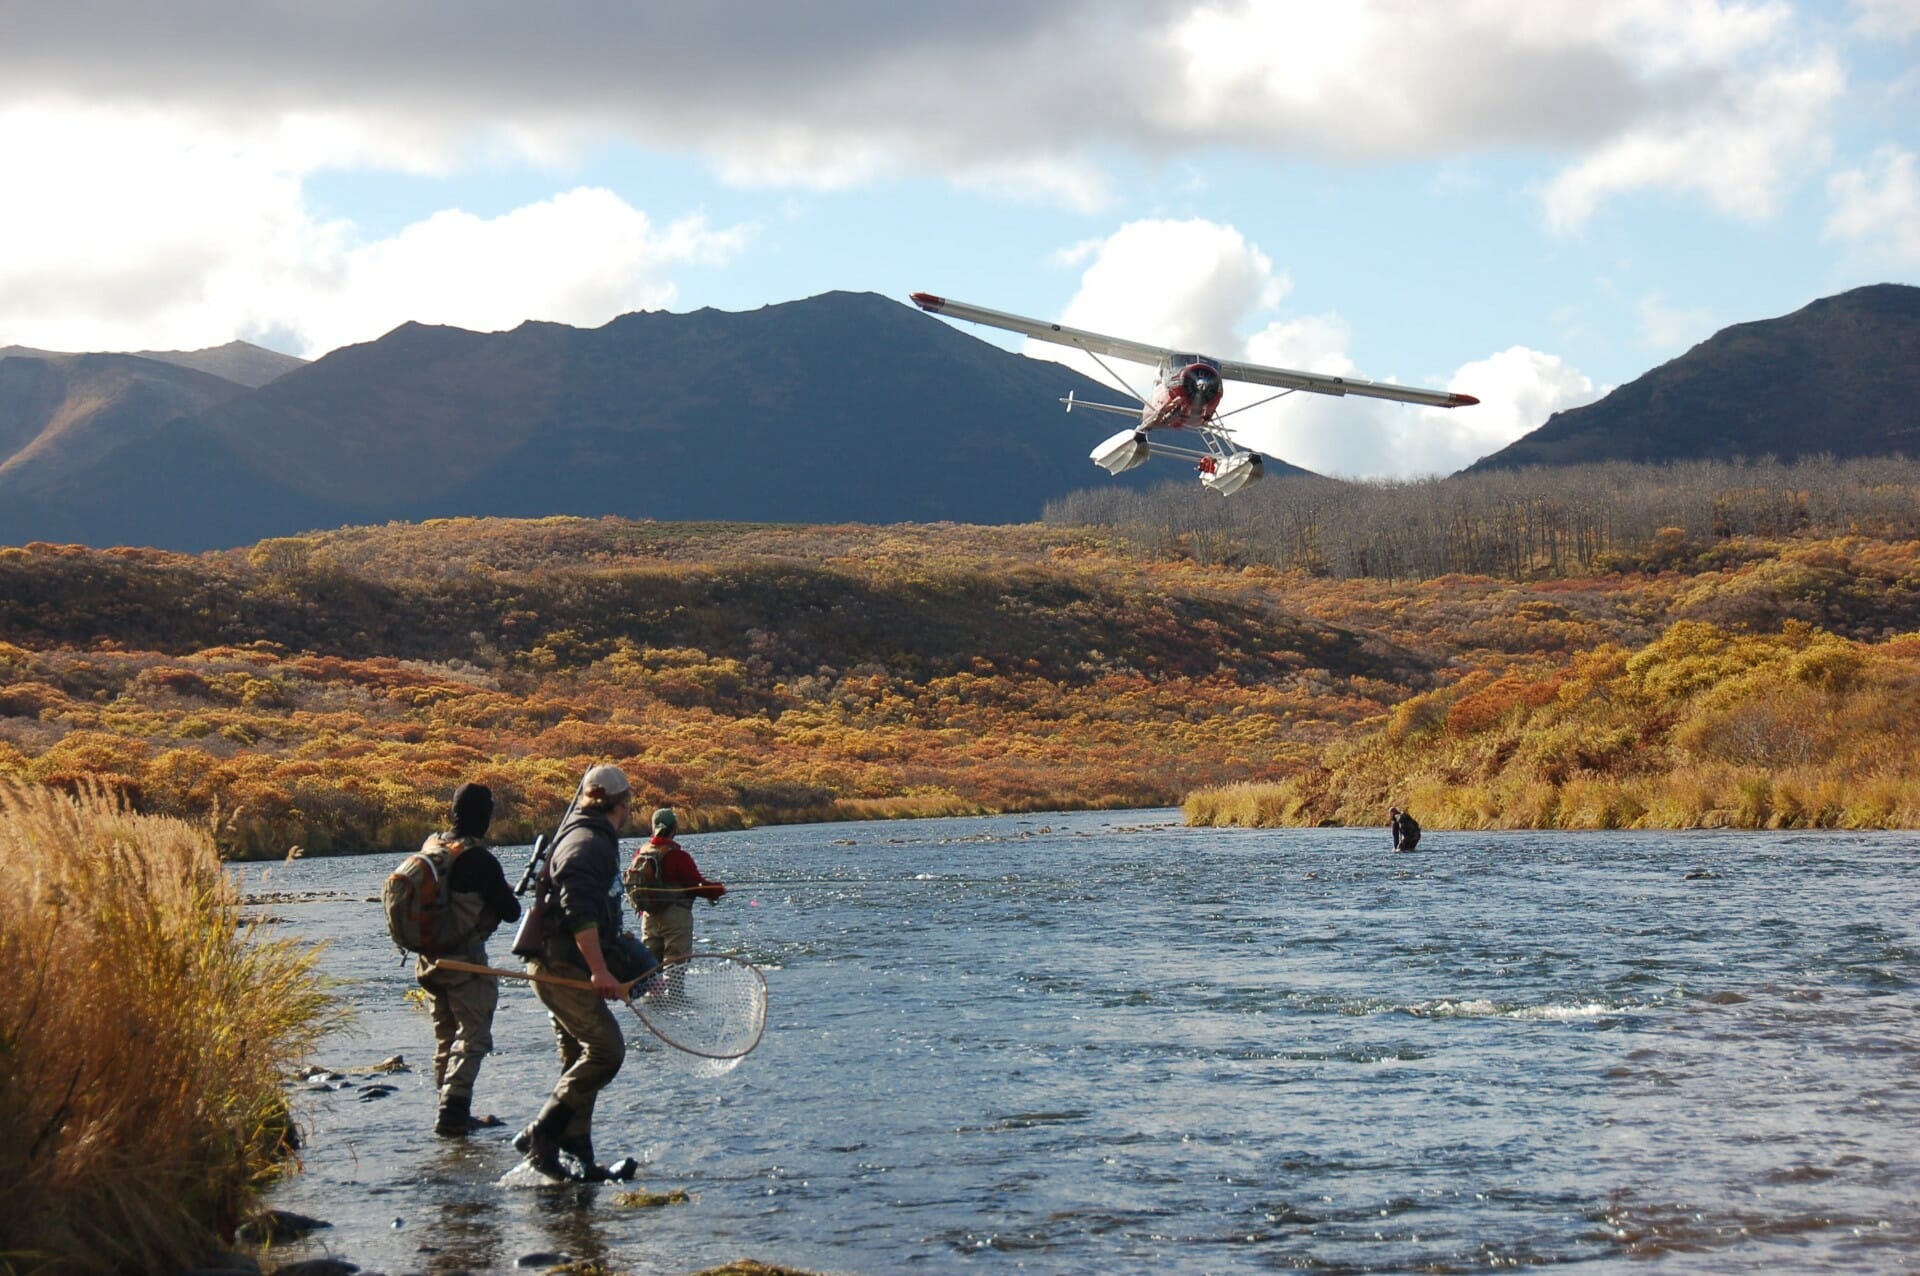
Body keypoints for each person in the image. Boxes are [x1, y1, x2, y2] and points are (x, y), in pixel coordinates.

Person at [515, 764, 655, 1182]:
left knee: (577, 1058)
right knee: (607, 1051)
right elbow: (579, 912)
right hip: (563, 967)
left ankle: (576, 1154)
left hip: (563, 963)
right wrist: (599, 971)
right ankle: (541, 1133)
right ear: (623, 802)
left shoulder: (590, 836)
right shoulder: (588, 844)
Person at [416, 782, 522, 1138]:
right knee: (474, 1037)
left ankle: (448, 1108)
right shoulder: (479, 859)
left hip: (429, 959)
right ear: (486, 817)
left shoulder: (433, 847)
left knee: (446, 1036)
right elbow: (511, 913)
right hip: (464, 962)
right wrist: (504, 894)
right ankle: (453, 1113)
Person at [624, 807, 726, 963]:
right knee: (675, 968)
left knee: (649, 969)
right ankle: (673, 989)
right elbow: (698, 885)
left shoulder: (641, 852)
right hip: (675, 918)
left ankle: (649, 989)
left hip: (649, 918)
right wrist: (718, 889)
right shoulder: (677, 856)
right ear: (674, 829)